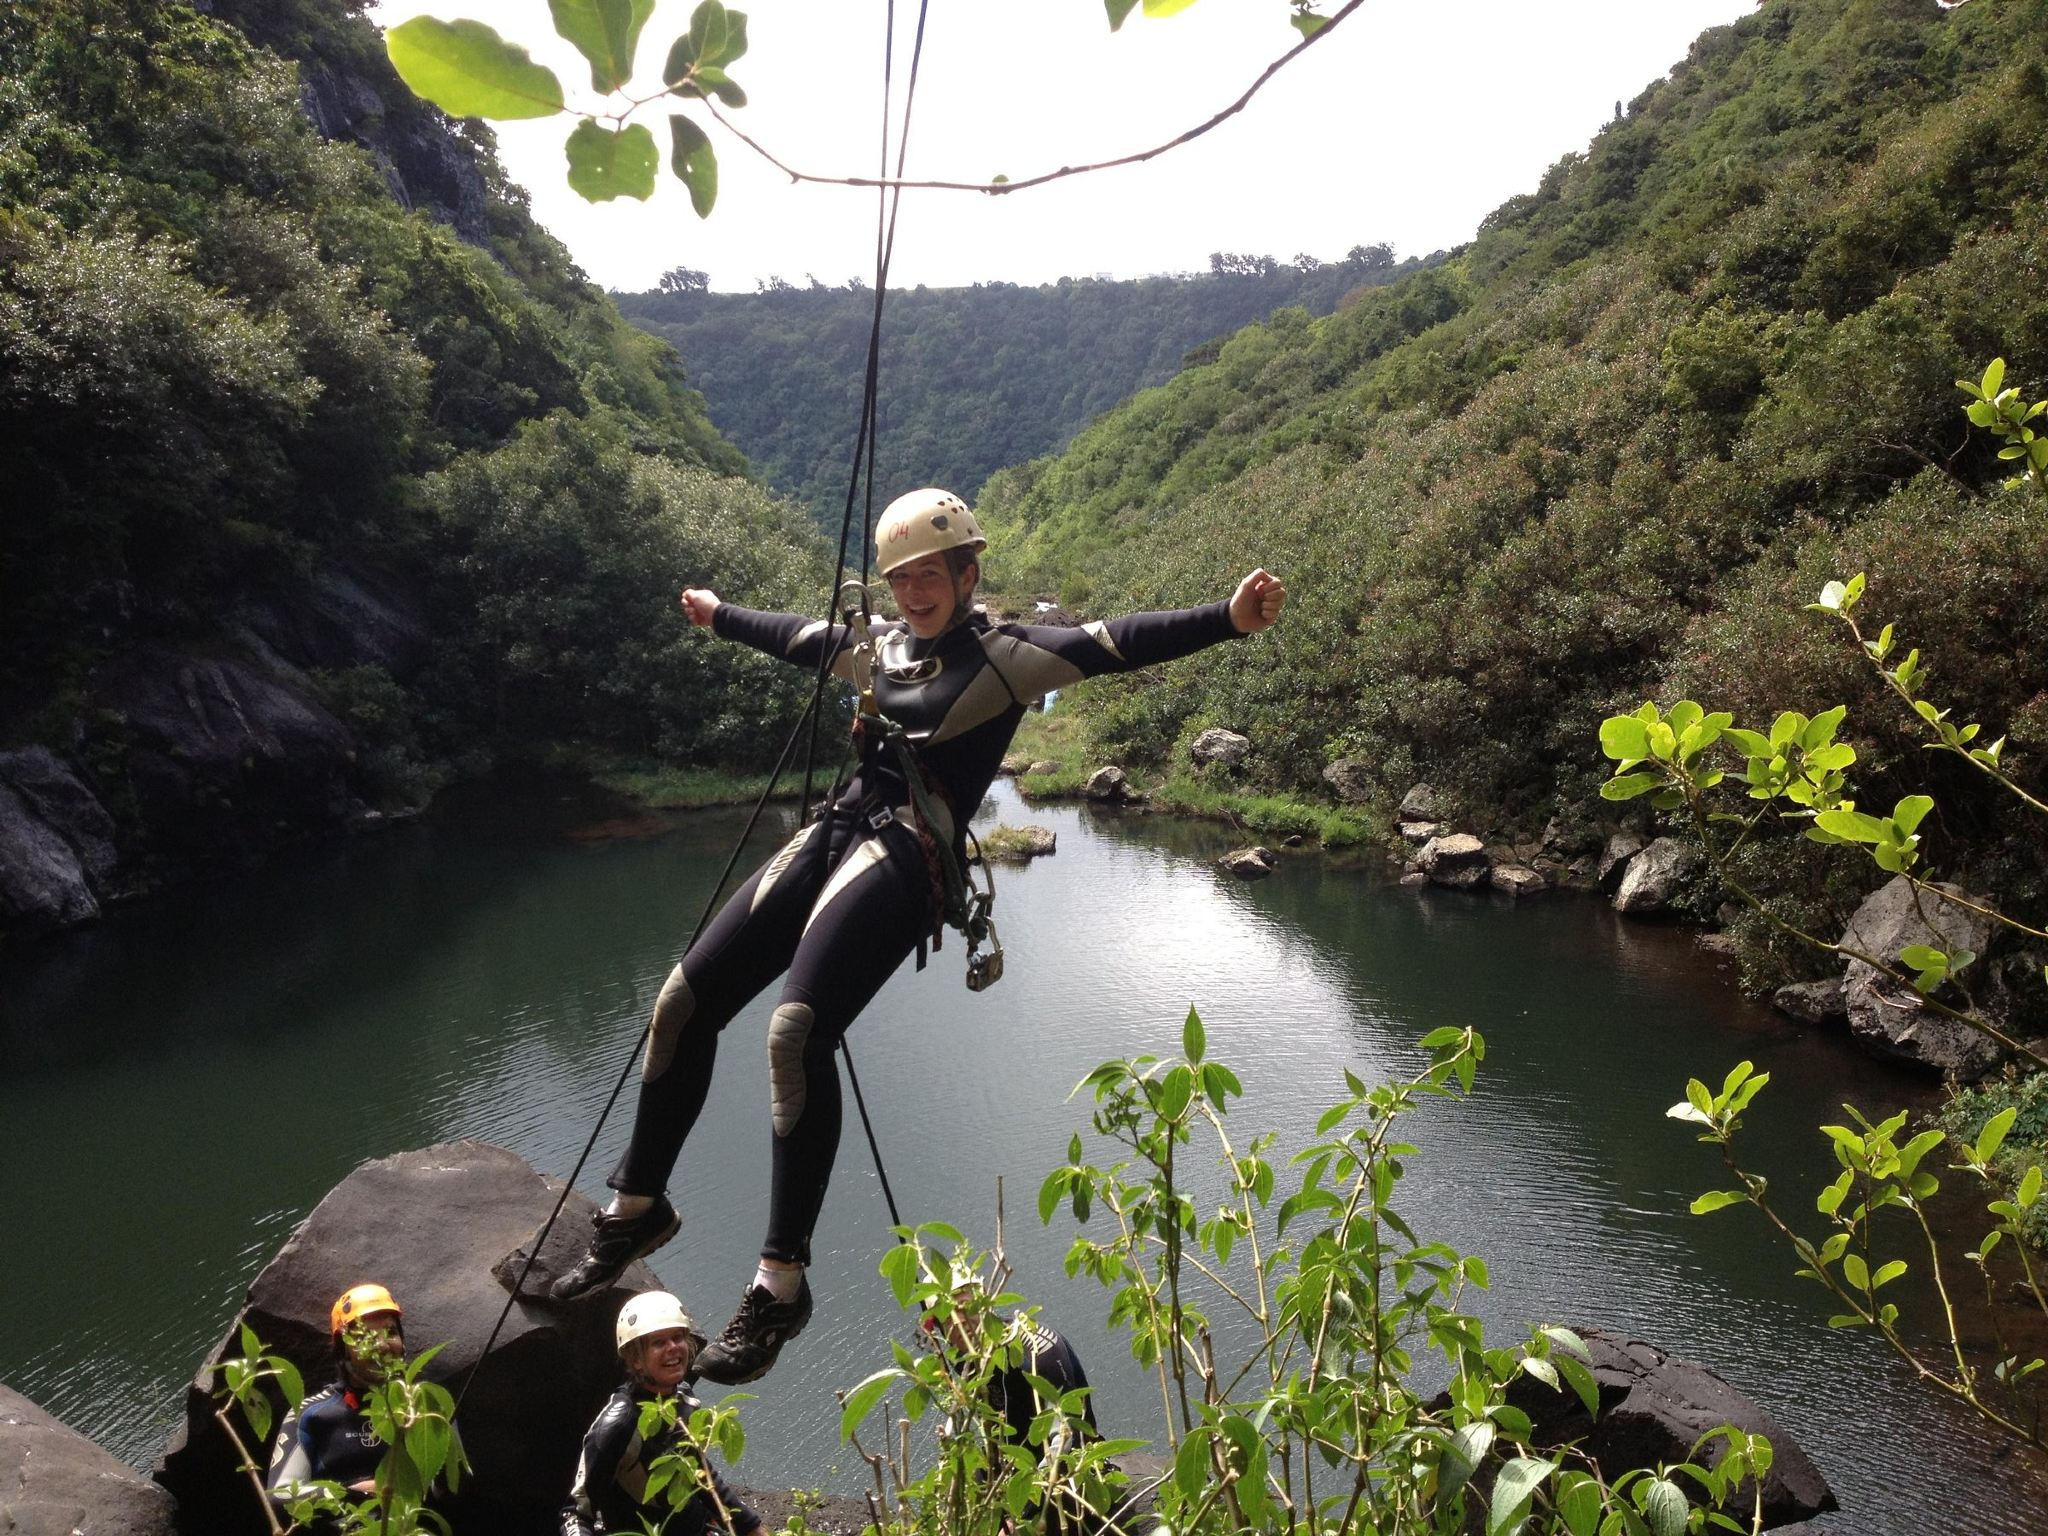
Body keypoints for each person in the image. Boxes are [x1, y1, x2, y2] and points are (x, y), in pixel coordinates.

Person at [550, 486, 1288, 1387]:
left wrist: (1232, 618)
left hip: (908, 854)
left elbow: (1116, 640)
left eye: (930, 576)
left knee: (794, 1033)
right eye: (901, 579)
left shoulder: (1011, 657)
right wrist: (716, 617)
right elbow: (798, 636)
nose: (913, 593)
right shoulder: (879, 648)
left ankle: (779, 1284)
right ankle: (636, 1204)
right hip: (835, 829)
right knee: (683, 1001)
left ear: (969, 573)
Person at [561, 1290, 762, 1536]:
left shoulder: (683, 1399)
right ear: (635, 1358)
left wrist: (752, 1527)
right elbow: (575, 1515)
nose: (673, 1348)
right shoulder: (618, 1424)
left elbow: (705, 1480)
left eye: (678, 1337)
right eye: (658, 1342)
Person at [266, 1283, 456, 1519]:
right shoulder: (311, 1413)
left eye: (390, 1332)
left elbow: (450, 1490)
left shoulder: (427, 1406)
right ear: (343, 1351)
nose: (381, 1345)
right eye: (364, 1337)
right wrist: (356, 1493)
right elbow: (278, 1496)